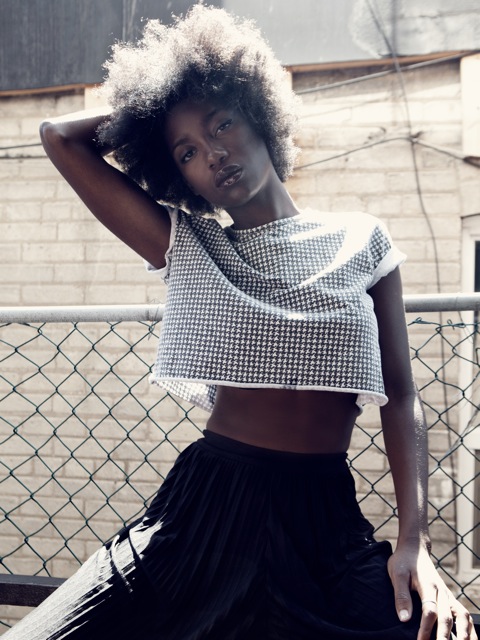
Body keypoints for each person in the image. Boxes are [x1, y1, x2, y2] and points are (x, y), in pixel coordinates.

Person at [5, 5, 477, 640]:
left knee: (440, 634)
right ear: (178, 174)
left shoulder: (362, 239)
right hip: (204, 512)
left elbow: (401, 393)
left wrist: (414, 542)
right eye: (187, 152)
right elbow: (60, 137)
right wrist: (150, 111)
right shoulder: (188, 243)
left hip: (324, 526)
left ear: (259, 112)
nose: (214, 153)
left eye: (223, 123)